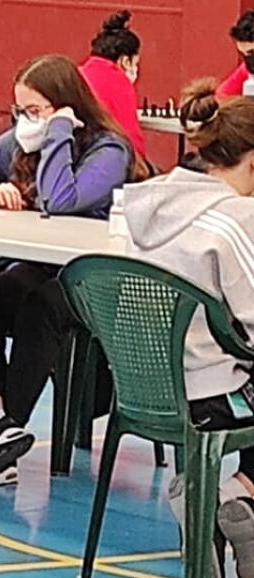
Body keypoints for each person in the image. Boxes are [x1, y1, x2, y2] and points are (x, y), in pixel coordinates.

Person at [0, 54, 142, 487]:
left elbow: (61, 199)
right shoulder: (20, 141)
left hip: (95, 278)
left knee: (39, 307)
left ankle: (9, 428)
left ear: (66, 106)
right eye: (20, 111)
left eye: (35, 111)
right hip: (42, 264)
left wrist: (59, 132)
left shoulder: (109, 150)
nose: (25, 121)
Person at [124, 78, 254, 578]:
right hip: (209, 398)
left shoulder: (152, 204)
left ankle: (233, 502)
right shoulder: (237, 218)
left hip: (142, 393)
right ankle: (227, 496)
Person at [79, 10, 146, 160]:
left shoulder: (78, 73)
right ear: (125, 61)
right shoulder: (119, 83)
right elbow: (131, 138)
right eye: (135, 63)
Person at [217, 10, 254, 100]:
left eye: (252, 52)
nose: (249, 59)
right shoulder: (246, 70)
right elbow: (221, 95)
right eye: (243, 54)